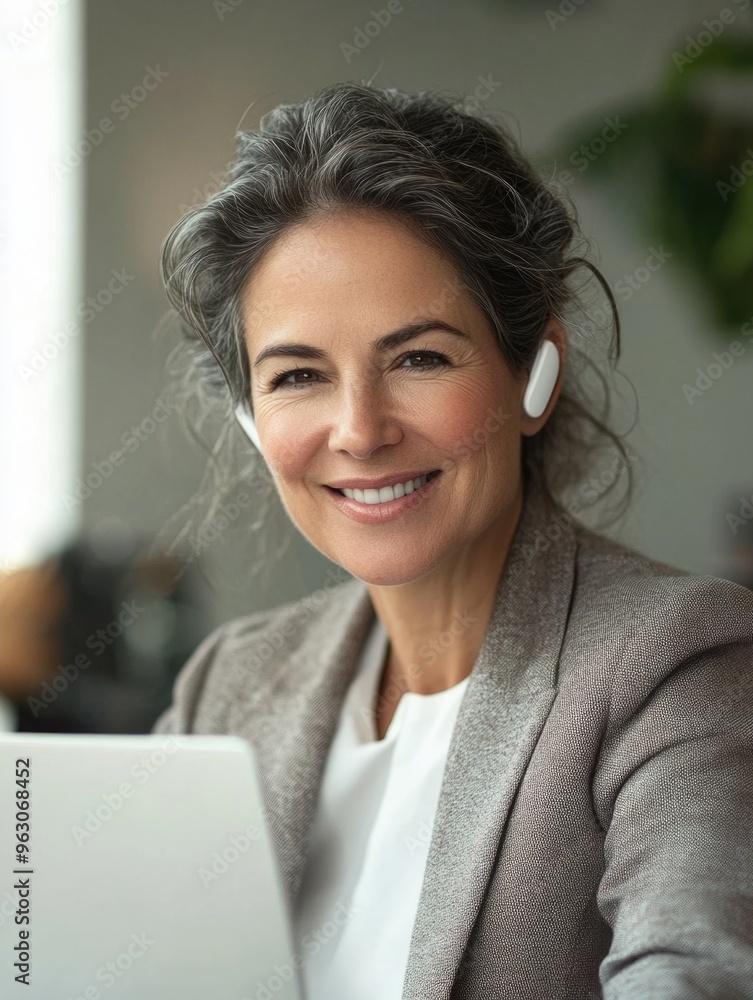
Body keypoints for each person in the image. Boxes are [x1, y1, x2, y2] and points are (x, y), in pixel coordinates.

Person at [151, 82, 753, 999]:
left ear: (533, 373)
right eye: (299, 375)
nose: (358, 429)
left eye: (418, 358)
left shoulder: (675, 663)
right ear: (250, 419)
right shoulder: (228, 686)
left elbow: (695, 979)